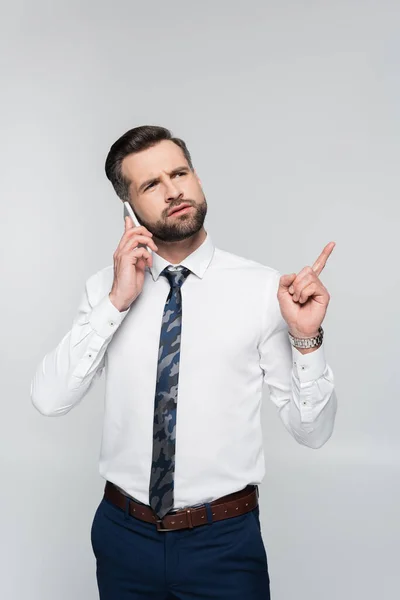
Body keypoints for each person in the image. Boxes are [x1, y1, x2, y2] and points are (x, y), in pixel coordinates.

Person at [31, 125, 337, 600]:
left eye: (180, 173)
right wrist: (115, 303)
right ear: (128, 207)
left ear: (196, 178)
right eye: (151, 184)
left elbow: (312, 432)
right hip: (122, 535)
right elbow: (48, 400)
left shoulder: (262, 290)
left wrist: (307, 339)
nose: (173, 190)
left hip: (223, 542)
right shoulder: (105, 290)